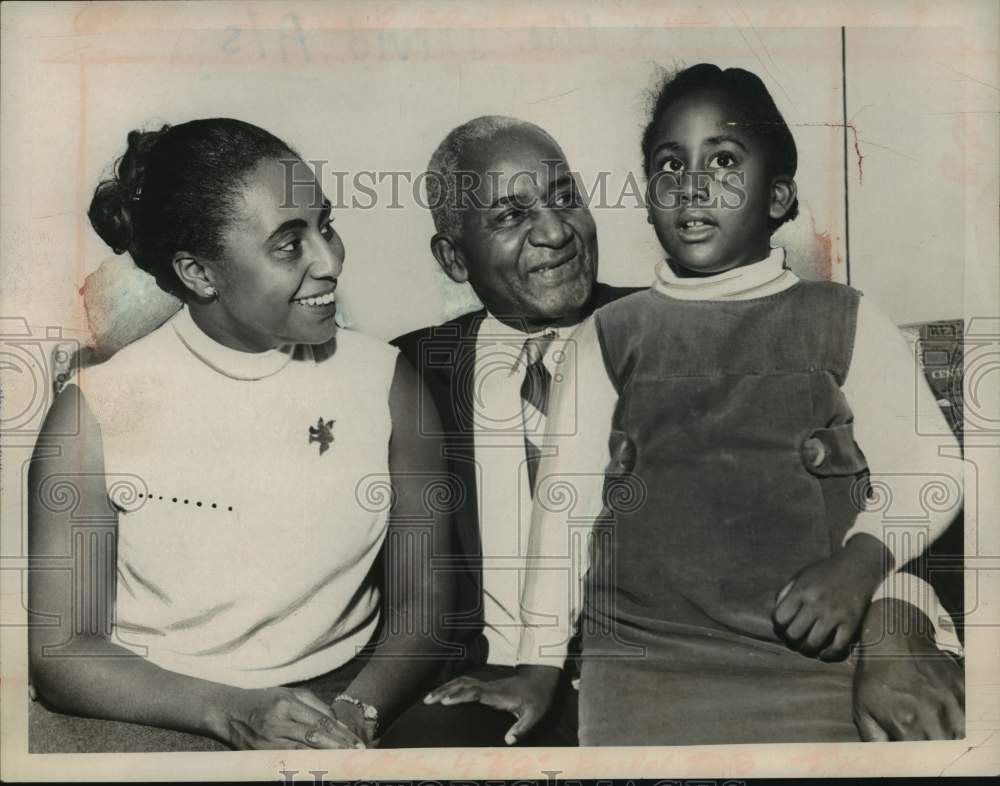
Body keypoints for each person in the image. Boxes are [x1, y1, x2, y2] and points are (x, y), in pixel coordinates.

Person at [492, 65, 963, 744]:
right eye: (669, 164)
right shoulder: (610, 335)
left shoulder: (841, 317)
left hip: (813, 660)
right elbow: (563, 506)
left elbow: (932, 466)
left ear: (778, 196)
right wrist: (537, 665)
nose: (691, 184)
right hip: (643, 670)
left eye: (723, 160)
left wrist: (861, 563)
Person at [28, 118, 453, 752]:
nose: (330, 261)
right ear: (199, 273)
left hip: (345, 699)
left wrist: (353, 714)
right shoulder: (93, 413)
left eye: (326, 225)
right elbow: (63, 652)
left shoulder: (387, 384)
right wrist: (231, 713)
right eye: (289, 244)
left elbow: (426, 605)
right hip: (152, 711)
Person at [379, 116, 640, 747]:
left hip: (648, 677)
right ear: (454, 258)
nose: (555, 232)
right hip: (484, 686)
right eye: (510, 215)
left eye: (565, 197)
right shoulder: (411, 372)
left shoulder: (665, 330)